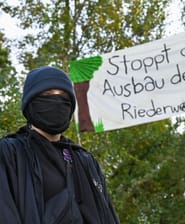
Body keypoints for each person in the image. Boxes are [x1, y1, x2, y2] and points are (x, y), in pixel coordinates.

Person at [0, 66, 120, 224]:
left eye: (64, 96)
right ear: (30, 102)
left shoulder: (86, 161)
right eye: (47, 94)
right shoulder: (9, 153)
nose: (56, 101)